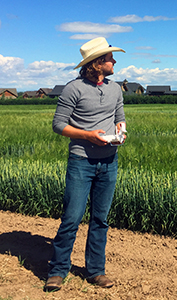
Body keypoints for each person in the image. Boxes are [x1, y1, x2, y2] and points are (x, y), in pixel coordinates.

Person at [44, 37, 126, 292]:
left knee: (100, 220)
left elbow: (120, 118)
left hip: (109, 162)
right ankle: (58, 271)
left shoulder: (115, 89)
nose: (114, 61)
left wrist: (121, 132)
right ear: (97, 63)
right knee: (72, 218)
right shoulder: (73, 88)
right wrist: (88, 135)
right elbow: (59, 125)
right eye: (110, 58)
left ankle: (95, 271)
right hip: (81, 162)